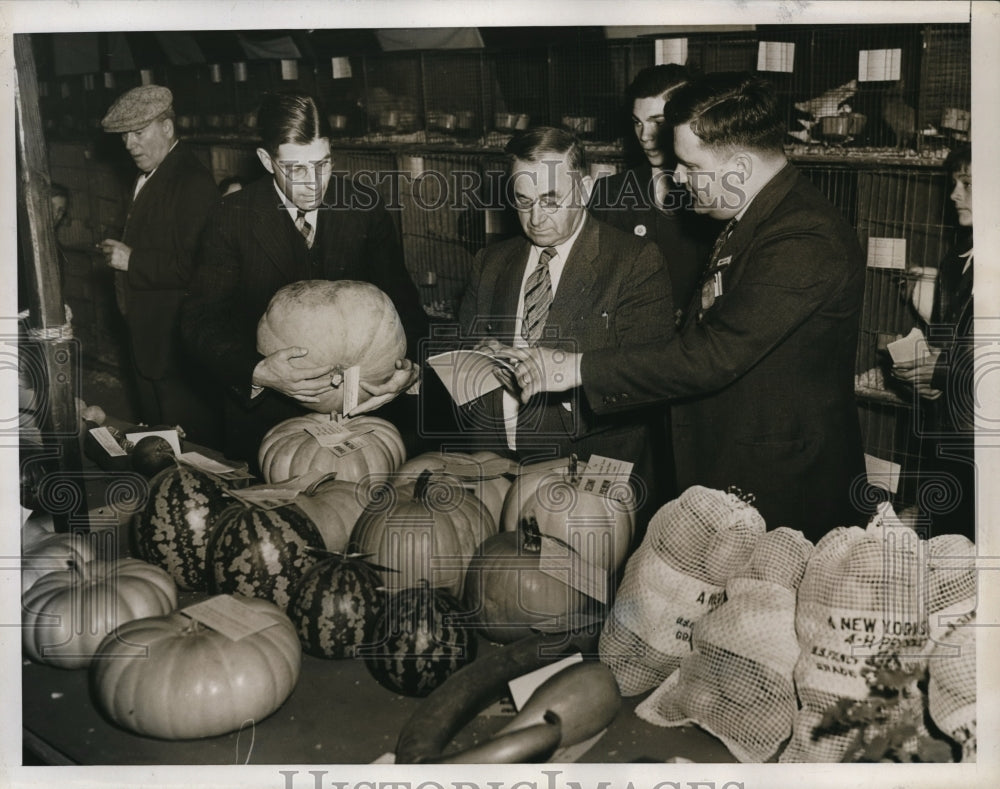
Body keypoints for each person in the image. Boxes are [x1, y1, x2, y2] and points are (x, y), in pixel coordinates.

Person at [504, 73, 871, 542]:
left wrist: (578, 367)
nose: (677, 178)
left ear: (737, 169)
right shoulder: (752, 217)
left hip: (784, 488)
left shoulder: (803, 236)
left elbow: (714, 353)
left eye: (690, 166)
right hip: (740, 468)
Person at [181, 91, 422, 468]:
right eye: (296, 169)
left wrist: (410, 372)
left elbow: (405, 304)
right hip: (268, 424)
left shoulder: (364, 206)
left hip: (364, 415)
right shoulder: (232, 217)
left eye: (323, 164)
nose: (313, 183)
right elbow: (200, 321)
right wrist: (259, 371)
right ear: (266, 160)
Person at [457, 126, 675, 522]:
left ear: (586, 190)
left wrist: (566, 369)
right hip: (494, 473)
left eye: (550, 200)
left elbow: (649, 381)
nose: (535, 218)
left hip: (585, 480)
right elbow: (460, 367)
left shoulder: (634, 262)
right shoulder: (489, 263)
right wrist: (477, 359)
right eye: (523, 201)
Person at [98, 85, 221, 443]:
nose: (129, 144)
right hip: (151, 341)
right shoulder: (152, 176)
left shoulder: (192, 183)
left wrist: (131, 259)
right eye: (125, 136)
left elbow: (199, 268)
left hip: (176, 348)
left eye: (139, 133)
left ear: (167, 128)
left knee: (186, 449)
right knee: (155, 443)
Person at [588, 64, 718, 324]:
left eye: (657, 123)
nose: (644, 136)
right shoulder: (609, 191)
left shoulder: (715, 195)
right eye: (637, 123)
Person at [891, 145, 974, 541]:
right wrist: (929, 373)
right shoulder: (958, 258)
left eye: (969, 184)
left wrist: (942, 369)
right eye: (954, 183)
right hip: (950, 425)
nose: (955, 194)